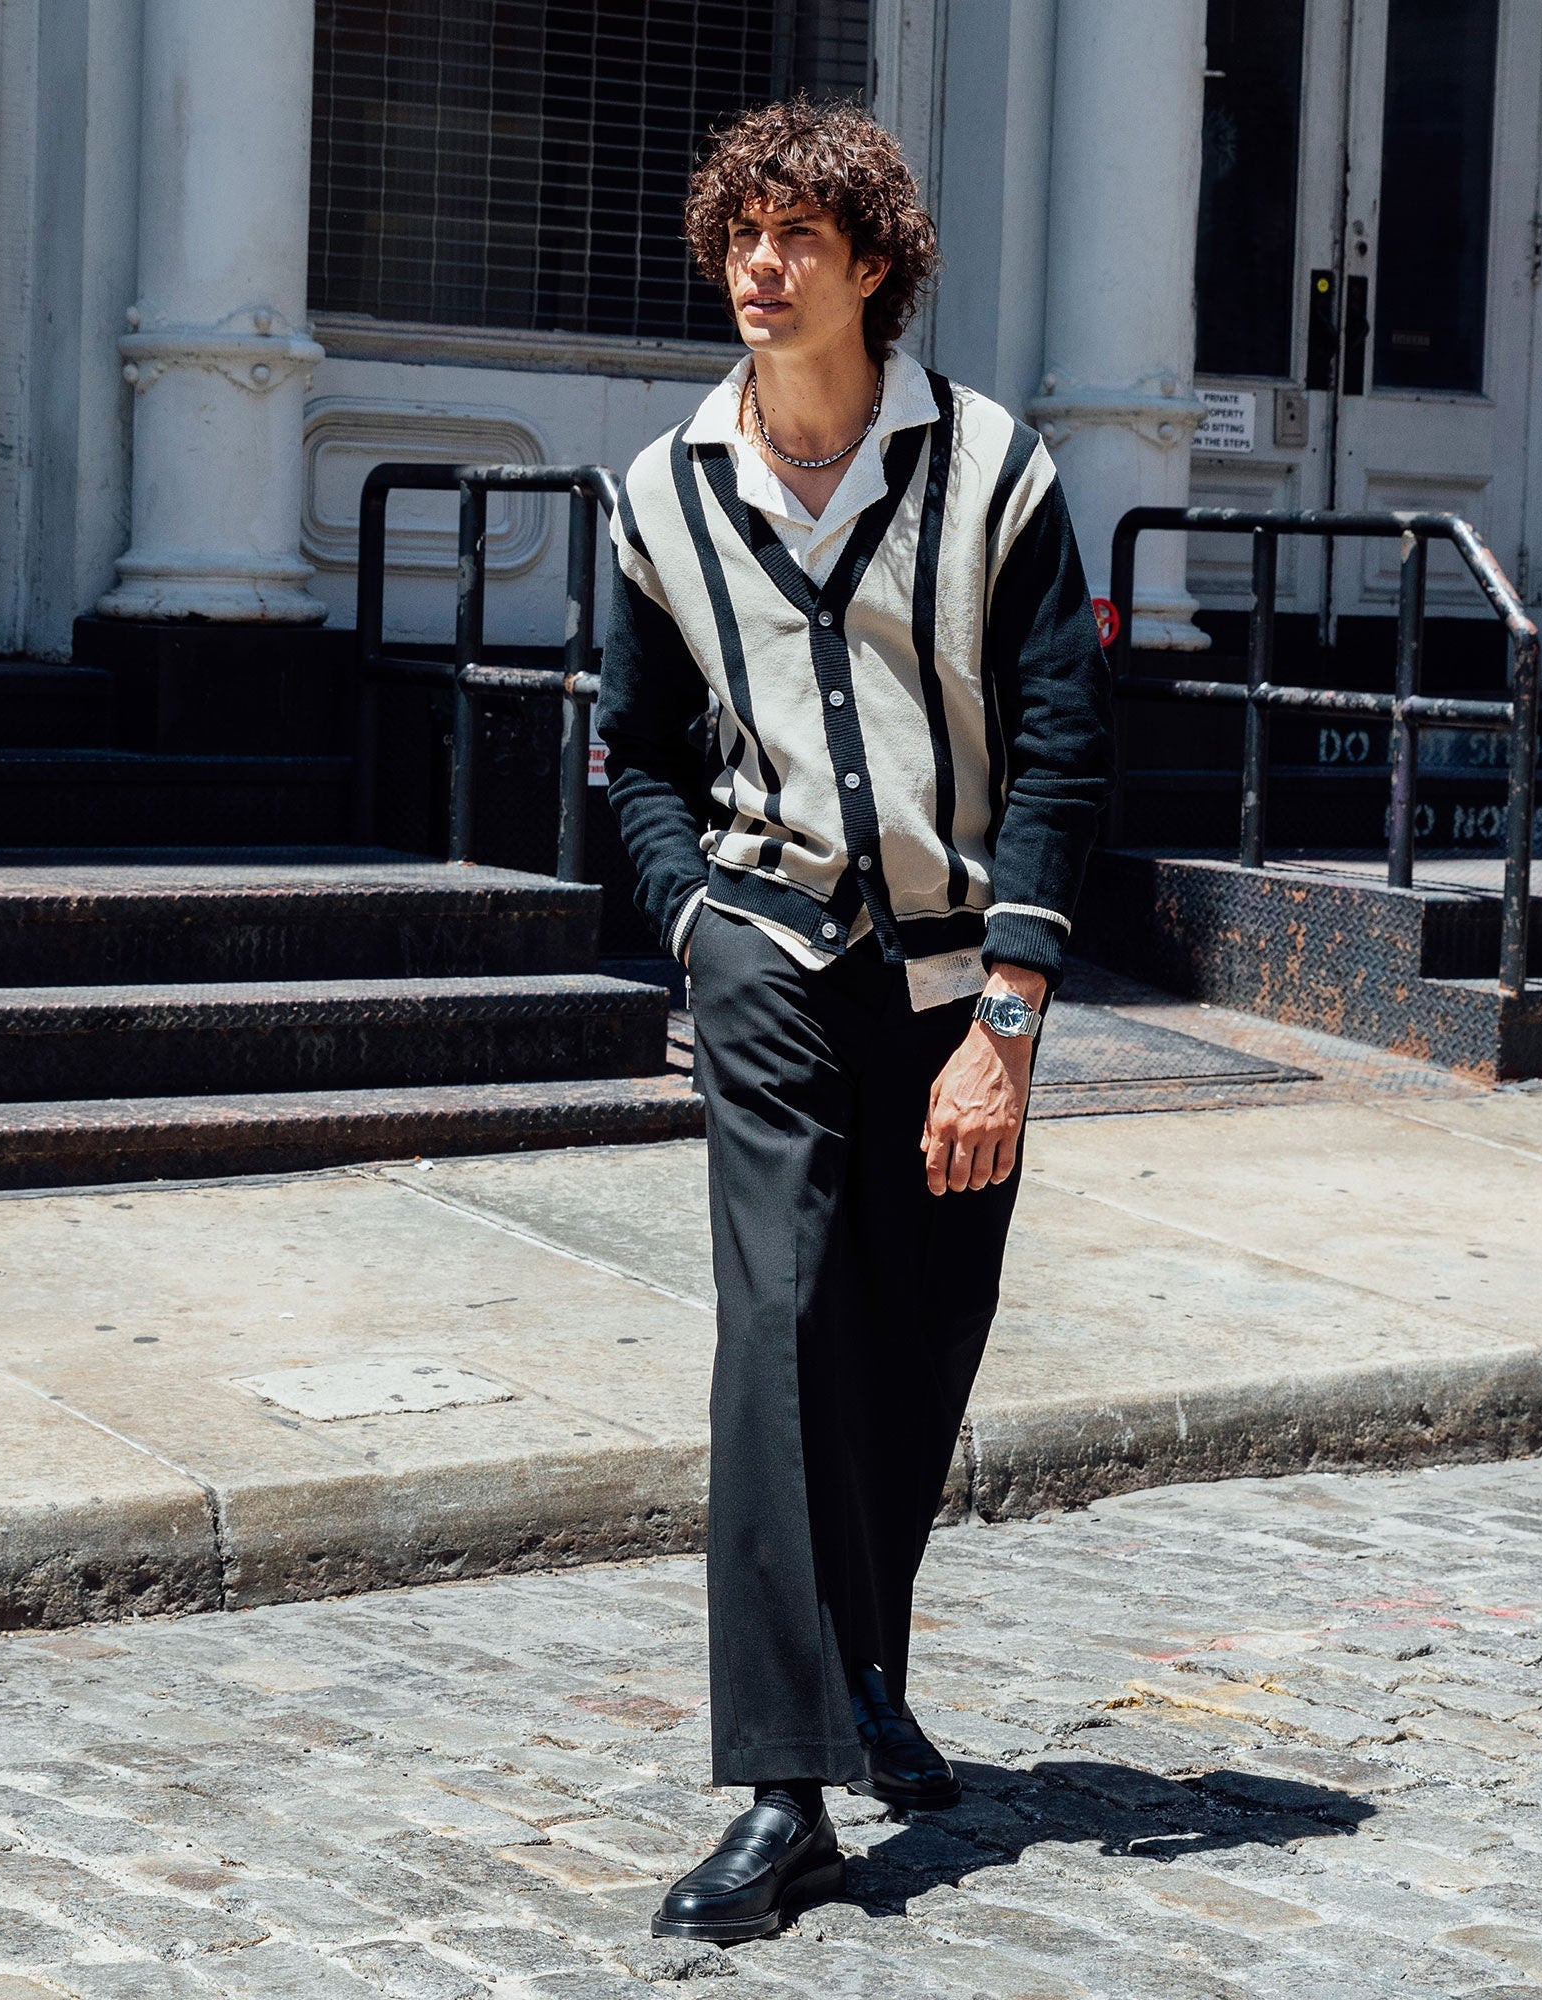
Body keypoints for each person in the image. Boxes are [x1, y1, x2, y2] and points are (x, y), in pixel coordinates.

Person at [597, 94, 1112, 1945]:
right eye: (740, 233)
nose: (758, 263)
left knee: (915, 1337)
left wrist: (1010, 1024)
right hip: (766, 957)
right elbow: (636, 753)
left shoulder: (995, 473)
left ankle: (867, 1674)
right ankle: (784, 1787)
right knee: (783, 1325)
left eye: (796, 235)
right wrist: (690, 919)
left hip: (961, 978)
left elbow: (1063, 751)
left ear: (873, 264)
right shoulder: (660, 495)